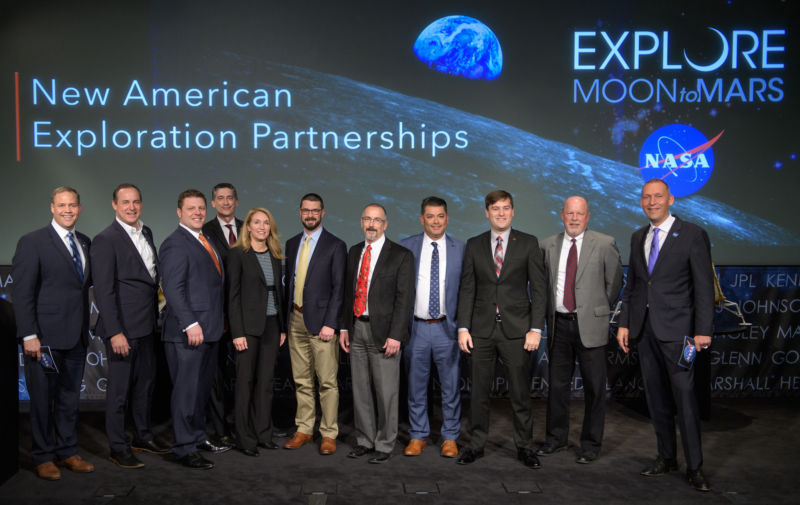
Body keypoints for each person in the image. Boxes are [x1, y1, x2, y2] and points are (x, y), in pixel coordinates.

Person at [616, 179, 714, 492]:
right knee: (656, 400)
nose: (652, 202)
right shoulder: (638, 236)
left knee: (685, 400)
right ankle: (666, 457)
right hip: (645, 332)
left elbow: (703, 287)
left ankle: (695, 467)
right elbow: (634, 286)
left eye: (658, 196)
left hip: (680, 335)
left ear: (670, 199)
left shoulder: (692, 234)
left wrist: (702, 331)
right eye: (646, 197)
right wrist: (625, 323)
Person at [456, 190, 546, 469]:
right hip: (481, 331)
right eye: (495, 208)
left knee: (519, 394)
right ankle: (476, 444)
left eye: (506, 208)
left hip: (518, 331)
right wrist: (463, 328)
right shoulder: (473, 244)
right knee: (479, 393)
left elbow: (540, 291)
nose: (501, 213)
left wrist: (535, 328)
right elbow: (467, 288)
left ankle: (525, 447)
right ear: (487, 212)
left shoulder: (529, 243)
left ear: (513, 211)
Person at [12, 186, 94, 480]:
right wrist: (29, 334)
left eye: (72, 205)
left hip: (76, 337)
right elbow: (22, 294)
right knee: (43, 400)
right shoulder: (33, 242)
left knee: (69, 399)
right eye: (62, 205)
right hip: (43, 340)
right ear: (52, 208)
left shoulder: (84, 242)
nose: (67, 210)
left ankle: (67, 451)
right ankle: (43, 456)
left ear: (80, 208)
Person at [537, 196, 622, 463]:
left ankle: (590, 444)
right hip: (559, 324)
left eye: (580, 214)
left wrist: (593, 311)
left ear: (588, 216)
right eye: (570, 213)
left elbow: (614, 284)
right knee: (557, 387)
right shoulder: (547, 245)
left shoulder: (605, 243)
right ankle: (556, 439)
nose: (574, 218)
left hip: (591, 326)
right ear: (562, 215)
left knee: (595, 389)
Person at [92, 184, 170, 469]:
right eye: (125, 202)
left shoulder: (145, 232)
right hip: (122, 329)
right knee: (119, 391)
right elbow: (103, 290)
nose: (131, 207)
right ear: (114, 205)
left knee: (145, 386)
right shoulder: (105, 239)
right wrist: (114, 332)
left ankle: (142, 436)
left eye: (136, 202)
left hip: (148, 325)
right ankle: (118, 446)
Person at [340, 204, 414, 464]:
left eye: (377, 220)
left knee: (386, 393)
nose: (371, 224)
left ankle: (384, 443)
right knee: (360, 390)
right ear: (362, 222)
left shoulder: (401, 255)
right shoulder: (354, 252)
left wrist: (396, 335)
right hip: (357, 327)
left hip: (385, 333)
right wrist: (345, 327)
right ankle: (364, 440)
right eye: (367, 219)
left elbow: (404, 299)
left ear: (385, 224)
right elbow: (348, 293)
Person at [160, 189, 226, 469]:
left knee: (199, 391)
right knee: (186, 392)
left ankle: (198, 437)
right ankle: (184, 448)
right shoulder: (175, 243)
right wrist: (190, 323)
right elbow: (173, 290)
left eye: (201, 208)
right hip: (187, 332)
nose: (198, 212)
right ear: (179, 211)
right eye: (191, 208)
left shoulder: (205, 238)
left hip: (209, 330)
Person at [399, 197, 465, 458]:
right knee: (416, 387)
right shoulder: (406, 247)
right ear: (421, 219)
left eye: (440, 216)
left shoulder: (461, 249)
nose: (435, 221)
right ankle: (418, 435)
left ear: (447, 219)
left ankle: (450, 437)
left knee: (450, 387)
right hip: (416, 328)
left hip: (447, 329)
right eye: (430, 216)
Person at [283, 194, 347, 455]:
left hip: (323, 325)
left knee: (327, 382)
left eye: (315, 211)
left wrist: (331, 323)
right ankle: (304, 429)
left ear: (323, 213)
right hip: (295, 319)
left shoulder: (335, 245)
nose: (310, 215)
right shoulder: (290, 244)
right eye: (306, 211)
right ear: (300, 212)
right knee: (301, 380)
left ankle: (329, 433)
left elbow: (338, 288)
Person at [227, 208, 287, 457]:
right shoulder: (238, 254)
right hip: (248, 329)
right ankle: (244, 438)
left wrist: (282, 327)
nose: (262, 227)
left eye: (266, 223)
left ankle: (264, 434)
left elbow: (277, 294)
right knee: (245, 384)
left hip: (272, 327)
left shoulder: (275, 255)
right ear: (248, 227)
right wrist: (237, 332)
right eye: (257, 222)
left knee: (265, 384)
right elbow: (232, 297)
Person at [201, 182, 242, 449]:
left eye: (230, 198)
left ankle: (242, 425)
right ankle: (219, 428)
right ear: (213, 203)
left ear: (236, 201)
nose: (225, 202)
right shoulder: (204, 231)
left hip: (243, 315)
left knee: (241, 374)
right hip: (216, 314)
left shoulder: (249, 226)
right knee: (215, 376)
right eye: (220, 198)